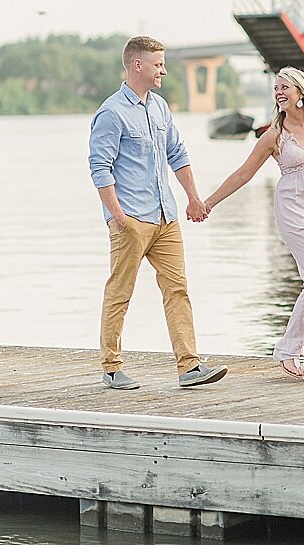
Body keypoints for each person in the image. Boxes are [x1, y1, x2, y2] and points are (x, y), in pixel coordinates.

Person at [203, 66, 304, 382]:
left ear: (300, 93)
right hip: (293, 211)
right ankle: (288, 347)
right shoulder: (274, 136)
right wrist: (208, 203)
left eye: (284, 87)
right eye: (276, 88)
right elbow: (242, 174)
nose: (278, 93)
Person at [87, 36, 228, 390]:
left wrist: (194, 198)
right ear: (138, 66)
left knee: (178, 289)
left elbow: (177, 154)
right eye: (158, 64)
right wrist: (118, 216)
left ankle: (189, 367)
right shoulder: (112, 113)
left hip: (166, 216)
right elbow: (99, 167)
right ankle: (112, 367)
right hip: (131, 218)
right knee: (120, 292)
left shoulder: (160, 107)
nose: (163, 69)